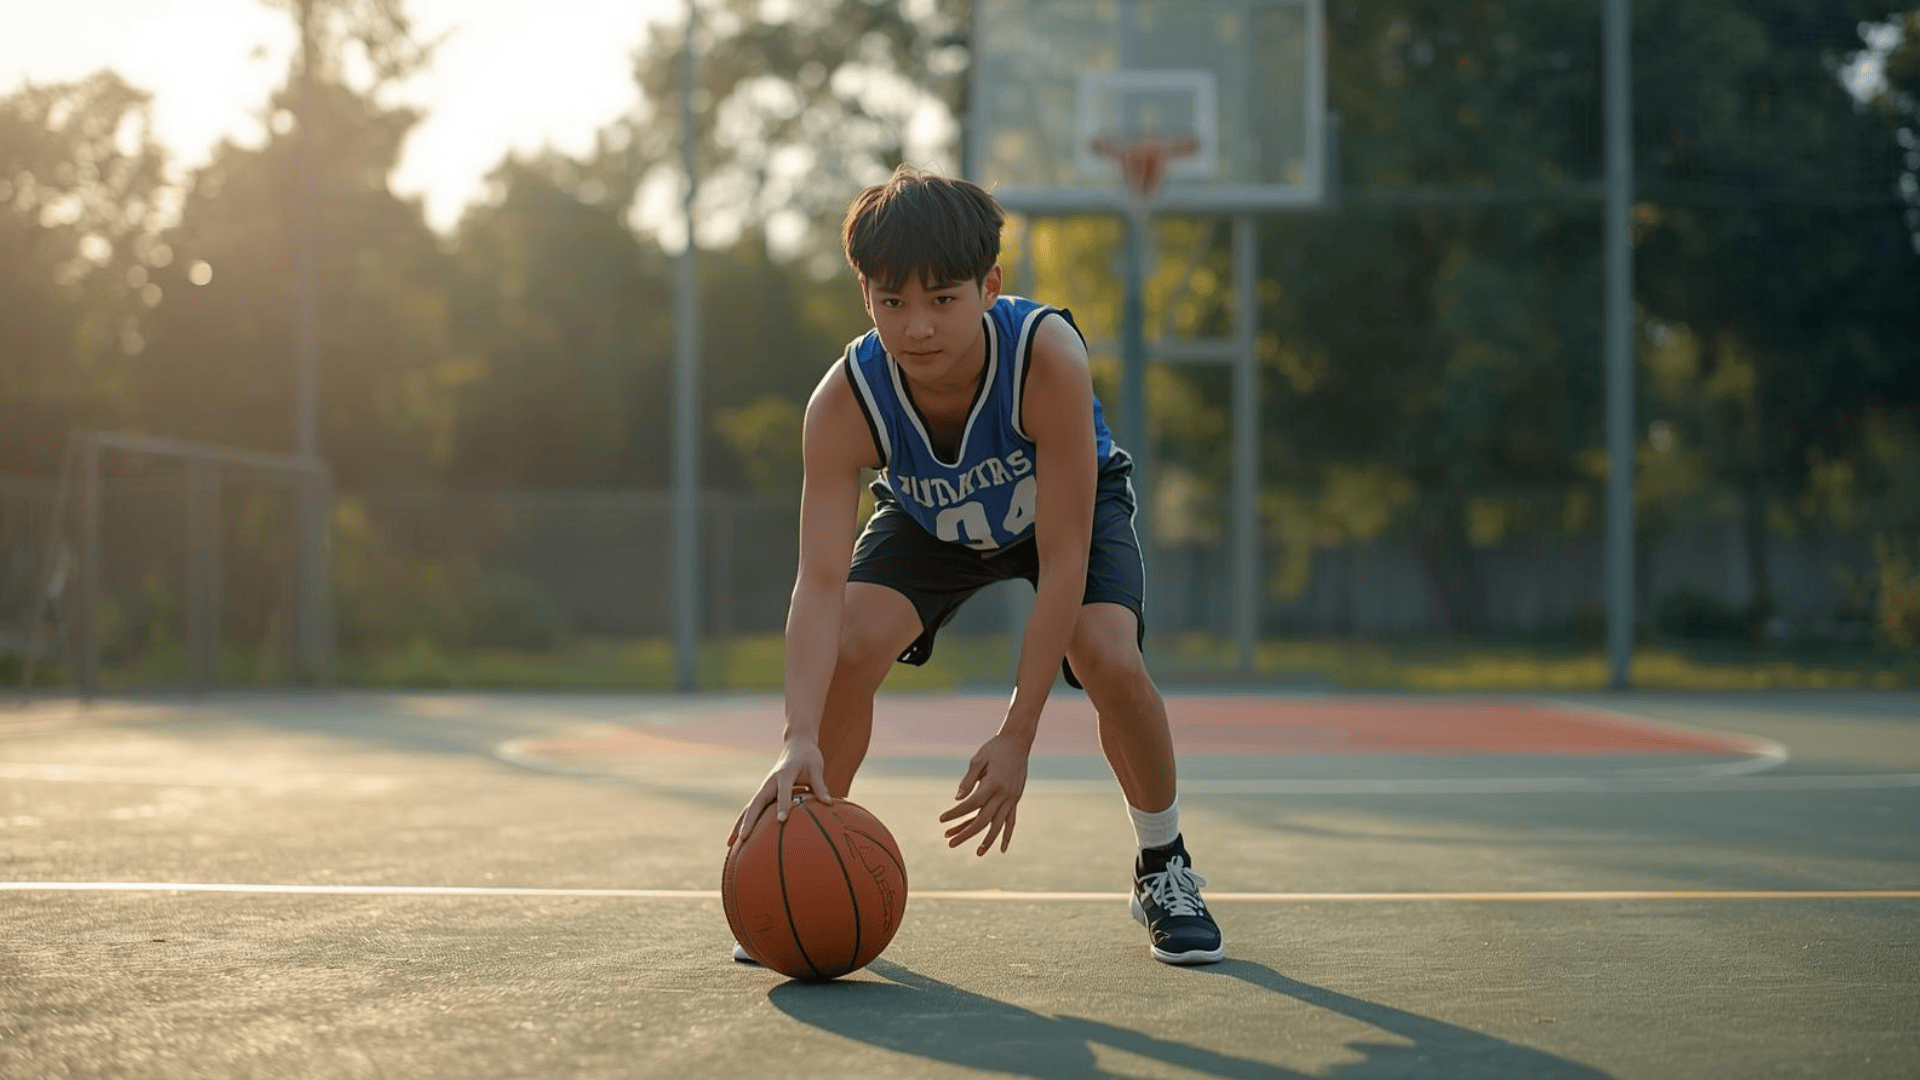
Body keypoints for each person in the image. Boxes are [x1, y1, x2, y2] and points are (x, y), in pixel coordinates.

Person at [727, 164, 1222, 965]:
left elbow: (1062, 564)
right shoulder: (844, 402)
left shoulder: (1045, 357)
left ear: (989, 286)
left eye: (942, 300)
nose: (917, 326)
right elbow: (818, 583)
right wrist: (797, 735)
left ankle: (1162, 863)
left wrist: (1018, 732)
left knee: (1106, 653)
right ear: (866, 298)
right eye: (892, 302)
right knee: (851, 644)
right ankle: (810, 843)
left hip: (1061, 510)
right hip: (932, 516)